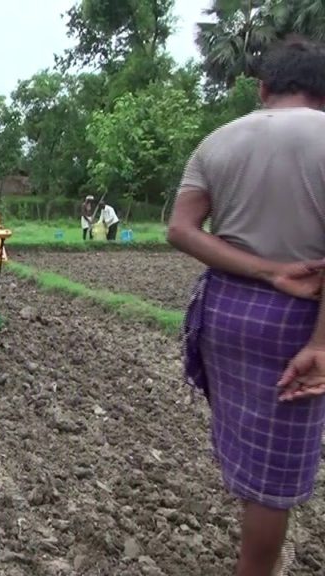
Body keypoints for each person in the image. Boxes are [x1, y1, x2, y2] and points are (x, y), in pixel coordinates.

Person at [167, 37, 325, 576]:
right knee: (273, 482)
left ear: (262, 87)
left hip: (228, 309)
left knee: (253, 446)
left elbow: (181, 230)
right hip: (302, 319)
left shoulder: (220, 140)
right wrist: (321, 342)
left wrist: (262, 270)